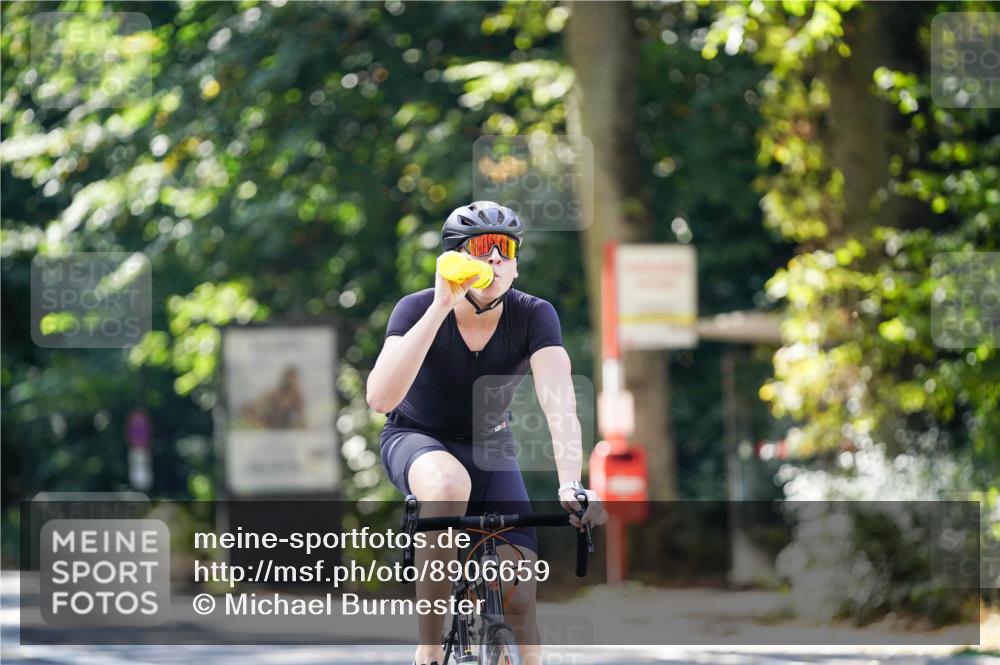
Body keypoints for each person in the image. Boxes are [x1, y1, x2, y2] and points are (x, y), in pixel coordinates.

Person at [367, 201, 604, 665]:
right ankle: (430, 648)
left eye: (506, 249)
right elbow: (380, 398)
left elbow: (559, 403)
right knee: (448, 484)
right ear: (456, 260)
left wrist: (570, 482)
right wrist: (440, 306)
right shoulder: (415, 308)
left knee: (520, 595)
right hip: (417, 439)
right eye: (481, 248)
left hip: (490, 446)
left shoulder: (534, 315)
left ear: (515, 266)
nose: (495, 258)